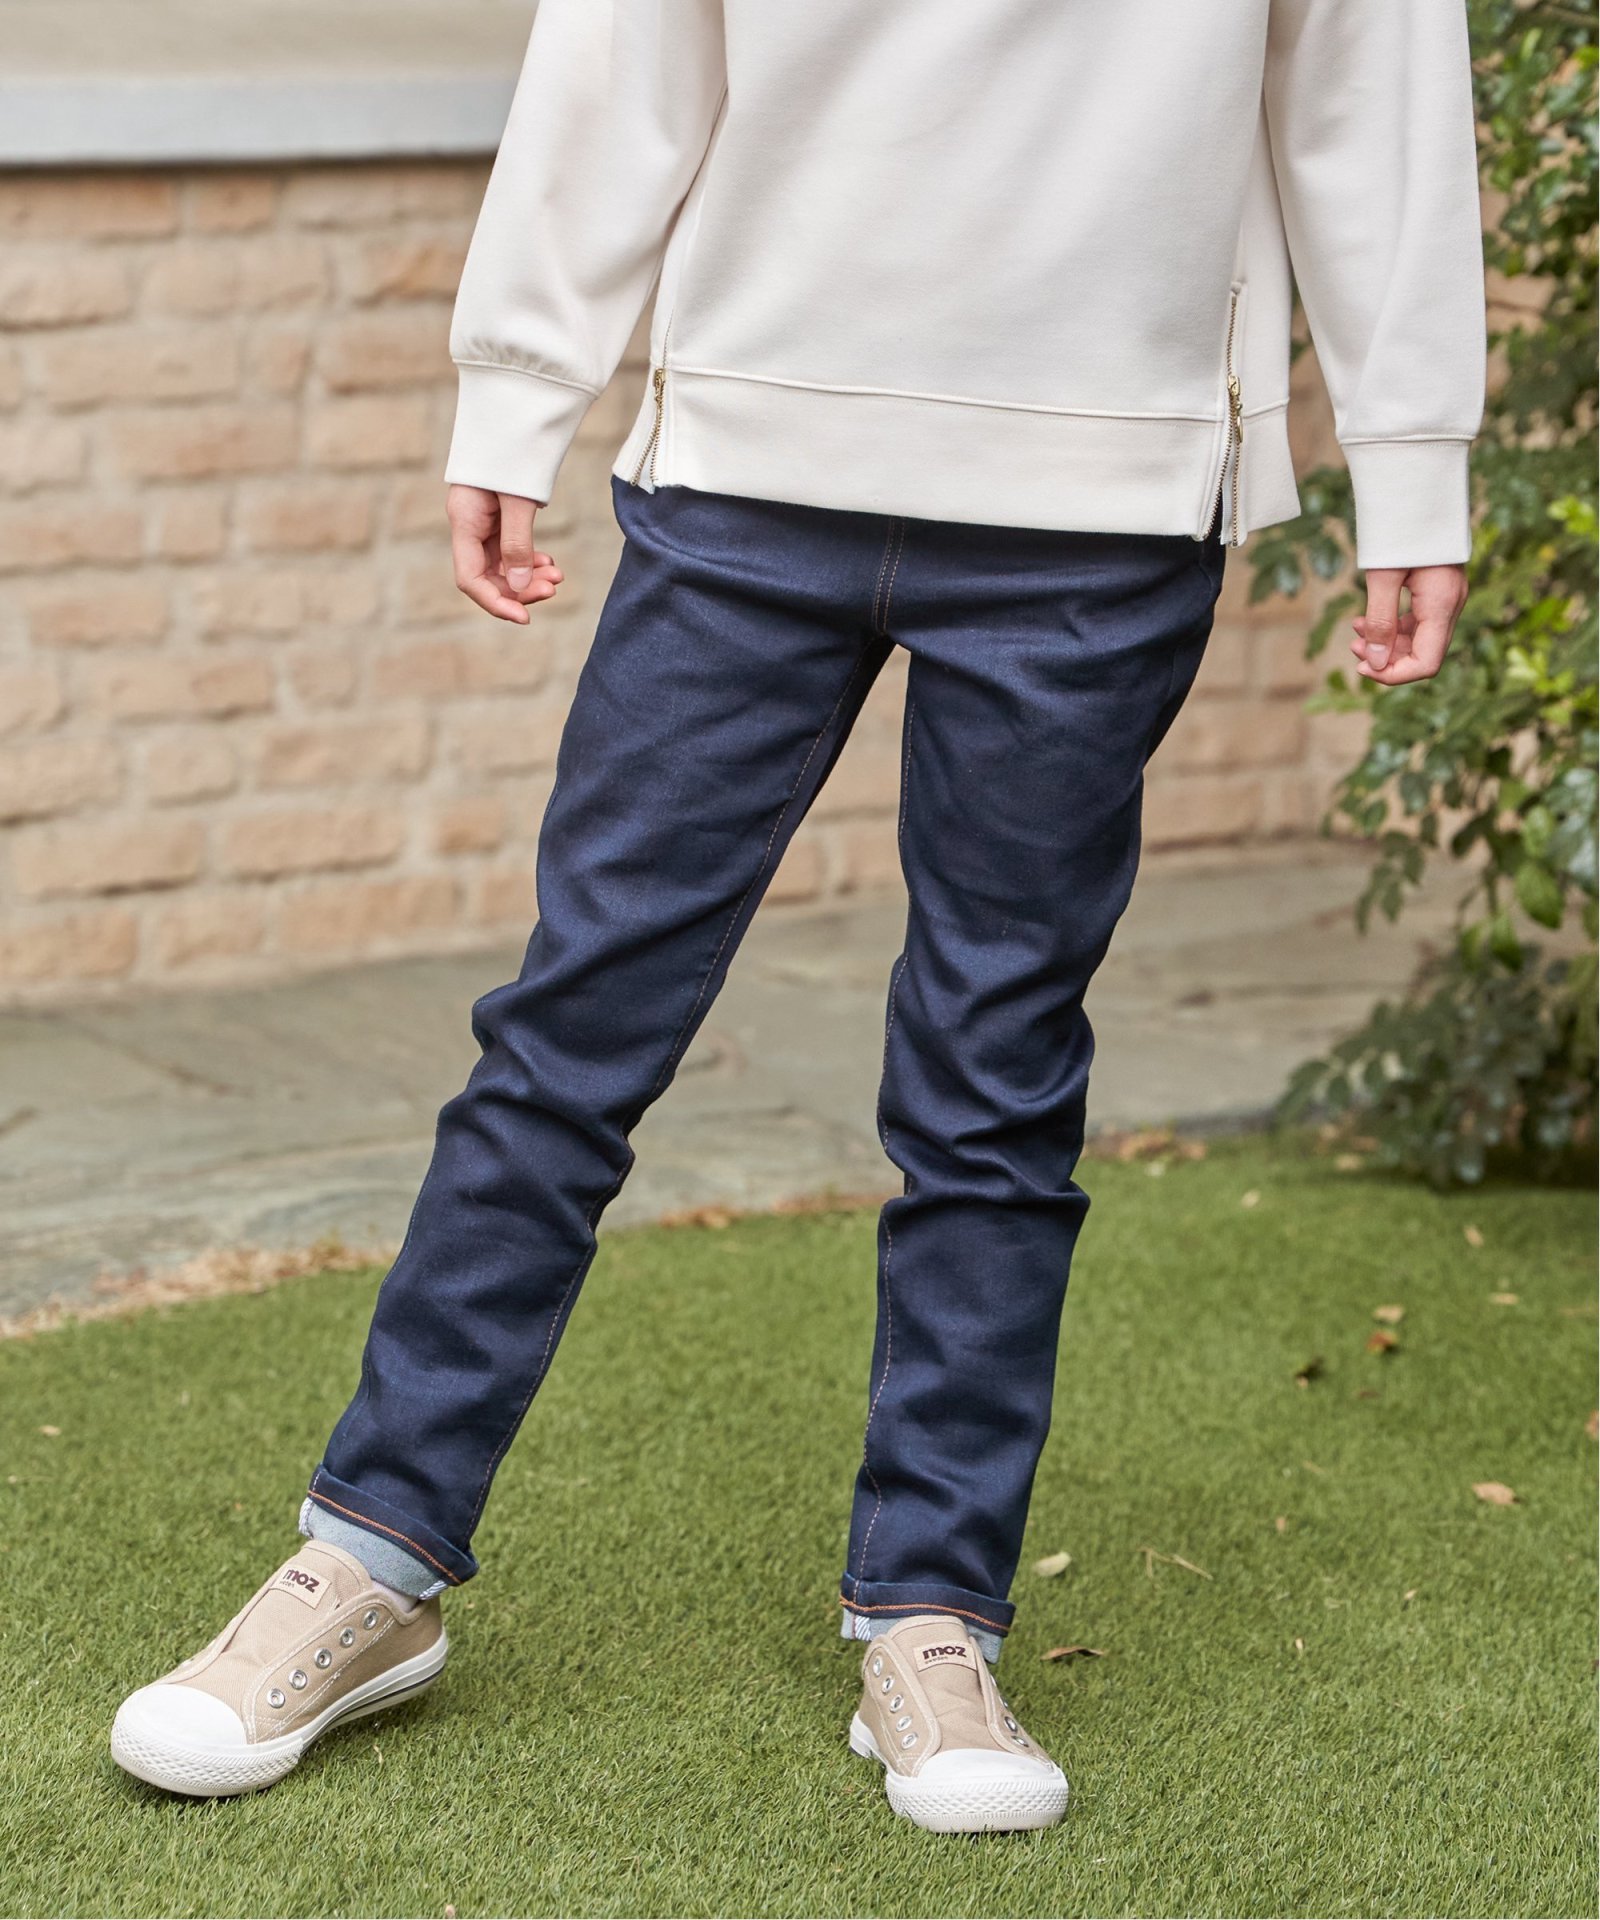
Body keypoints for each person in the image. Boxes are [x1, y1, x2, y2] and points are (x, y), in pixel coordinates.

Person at [111, 0, 1485, 1832]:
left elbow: (1371, 100)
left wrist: (1413, 460)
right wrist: (518, 385)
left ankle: (931, 1615)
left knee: (995, 1077)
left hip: (1110, 494)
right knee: (571, 1037)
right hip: (746, 465)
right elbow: (628, 50)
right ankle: (371, 1560)